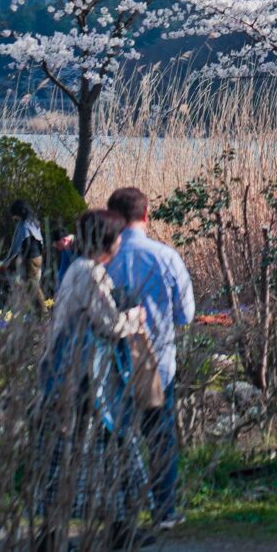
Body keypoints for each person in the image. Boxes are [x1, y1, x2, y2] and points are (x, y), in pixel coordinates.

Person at [34, 207, 150, 547]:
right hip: (89, 383)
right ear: (107, 242)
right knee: (107, 453)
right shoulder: (91, 274)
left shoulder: (76, 270)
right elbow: (110, 325)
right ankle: (113, 531)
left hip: (75, 379)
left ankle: (62, 534)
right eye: (116, 237)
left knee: (78, 457)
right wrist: (135, 317)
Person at [104, 186, 196, 530]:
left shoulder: (101, 260)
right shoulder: (166, 256)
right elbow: (185, 313)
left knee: (116, 439)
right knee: (160, 437)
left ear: (113, 216)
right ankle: (165, 510)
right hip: (158, 362)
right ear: (146, 216)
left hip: (112, 363)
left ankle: (120, 510)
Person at [1, 198, 49, 306]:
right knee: (31, 285)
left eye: (14, 215)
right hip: (37, 257)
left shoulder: (25, 225)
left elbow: (25, 244)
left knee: (32, 286)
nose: (14, 218)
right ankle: (39, 313)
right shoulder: (33, 221)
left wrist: (18, 258)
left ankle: (43, 313)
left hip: (31, 259)